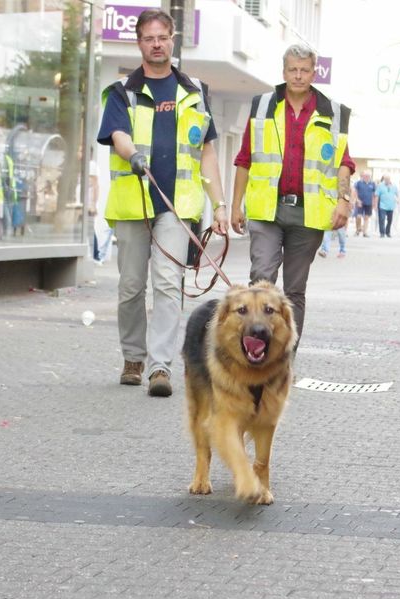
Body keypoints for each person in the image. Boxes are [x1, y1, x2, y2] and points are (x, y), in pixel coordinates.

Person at [98, 8, 229, 396]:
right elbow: (118, 135)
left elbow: (207, 152)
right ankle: (133, 358)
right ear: (139, 43)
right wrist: (132, 154)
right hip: (134, 204)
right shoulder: (122, 91)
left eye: (162, 37)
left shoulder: (195, 92)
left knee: (169, 284)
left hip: (178, 207)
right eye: (148, 38)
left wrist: (219, 205)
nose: (156, 44)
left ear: (173, 40)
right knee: (131, 287)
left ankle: (159, 367)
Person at [231, 43, 354, 349]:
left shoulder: (333, 112)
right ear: (284, 71)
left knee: (295, 290)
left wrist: (343, 200)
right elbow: (245, 158)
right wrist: (235, 206)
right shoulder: (263, 106)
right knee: (261, 282)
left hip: (308, 214)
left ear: (314, 73)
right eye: (292, 70)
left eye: (304, 70)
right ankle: (256, 354)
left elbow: (343, 161)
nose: (298, 76)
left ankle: (284, 356)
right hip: (266, 210)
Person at [353, 170, 374, 236]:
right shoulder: (359, 183)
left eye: (368, 176)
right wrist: (357, 200)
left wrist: (373, 203)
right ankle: (358, 230)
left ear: (370, 177)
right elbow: (355, 192)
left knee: (366, 217)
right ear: (363, 176)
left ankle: (365, 232)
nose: (367, 177)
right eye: (365, 176)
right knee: (358, 216)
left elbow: (374, 194)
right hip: (360, 202)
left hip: (369, 203)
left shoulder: (372, 183)